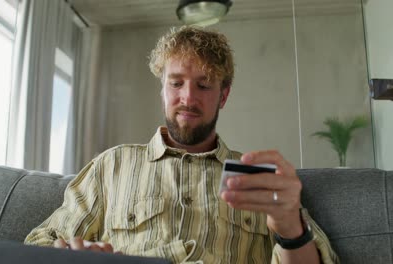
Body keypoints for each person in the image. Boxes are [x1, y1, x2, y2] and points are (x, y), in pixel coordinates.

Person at [25, 26, 339, 264]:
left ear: (223, 96)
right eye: (176, 83)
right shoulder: (111, 166)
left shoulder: (259, 176)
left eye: (203, 85)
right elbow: (40, 242)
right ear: (163, 90)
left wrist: (290, 227)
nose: (188, 98)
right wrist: (70, 254)